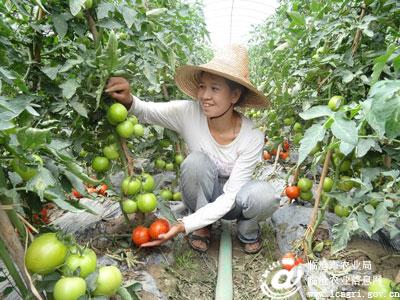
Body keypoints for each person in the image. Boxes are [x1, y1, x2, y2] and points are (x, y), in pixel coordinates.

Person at [105, 44, 280, 254]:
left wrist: (182, 225)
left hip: (233, 198)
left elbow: (231, 195)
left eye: (215, 89)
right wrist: (127, 98)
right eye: (202, 86)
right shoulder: (187, 113)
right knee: (196, 161)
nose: (204, 95)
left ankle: (247, 229)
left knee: (265, 196)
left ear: (234, 96)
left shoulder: (251, 136)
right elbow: (146, 111)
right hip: (200, 192)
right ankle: (203, 227)